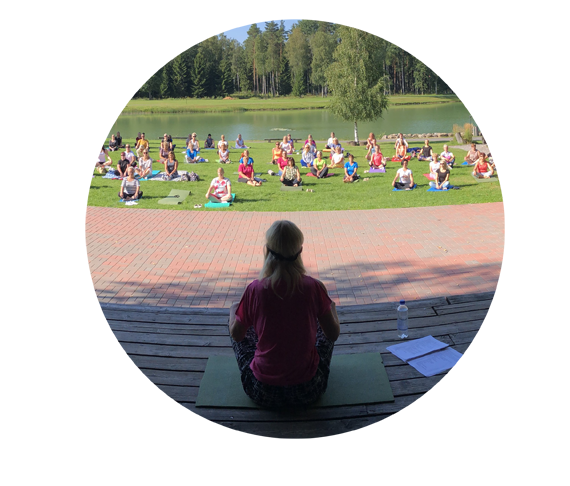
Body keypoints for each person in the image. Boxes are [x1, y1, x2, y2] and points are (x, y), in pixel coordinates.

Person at [228, 220, 340, 408]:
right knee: (323, 326)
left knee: (240, 322)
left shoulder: (255, 290)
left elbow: (237, 335)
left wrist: (234, 309)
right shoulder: (314, 287)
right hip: (309, 390)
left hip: (262, 391)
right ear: (299, 251)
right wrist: (331, 306)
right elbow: (333, 334)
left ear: (267, 251)